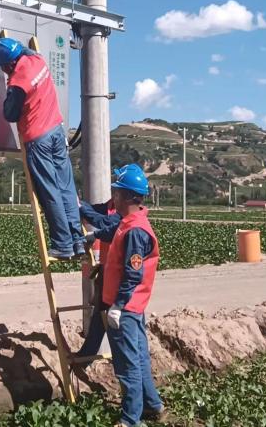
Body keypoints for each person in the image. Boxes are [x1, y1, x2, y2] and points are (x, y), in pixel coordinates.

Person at [0, 37, 86, 260]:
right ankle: (78, 241)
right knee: (66, 187)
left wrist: (8, 88)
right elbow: (15, 48)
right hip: (56, 131)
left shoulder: (17, 83)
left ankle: (63, 244)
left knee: (49, 191)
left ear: (9, 66)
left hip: (38, 140)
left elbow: (10, 114)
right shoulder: (37, 59)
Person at [101, 164, 165, 426]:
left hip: (125, 308)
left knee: (128, 366)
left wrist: (117, 306)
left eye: (116, 191)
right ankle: (153, 405)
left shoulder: (136, 231)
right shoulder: (129, 223)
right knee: (139, 358)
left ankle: (130, 419)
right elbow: (115, 232)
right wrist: (94, 234)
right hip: (134, 307)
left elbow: (133, 274)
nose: (112, 196)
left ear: (127, 196)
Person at [75, 165, 140, 359]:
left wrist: (82, 209)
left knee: (109, 315)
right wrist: (79, 206)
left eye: (118, 189)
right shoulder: (111, 206)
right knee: (100, 314)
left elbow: (104, 222)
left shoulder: (126, 214)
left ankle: (106, 358)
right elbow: (94, 212)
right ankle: (86, 357)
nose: (115, 193)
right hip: (107, 269)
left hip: (119, 273)